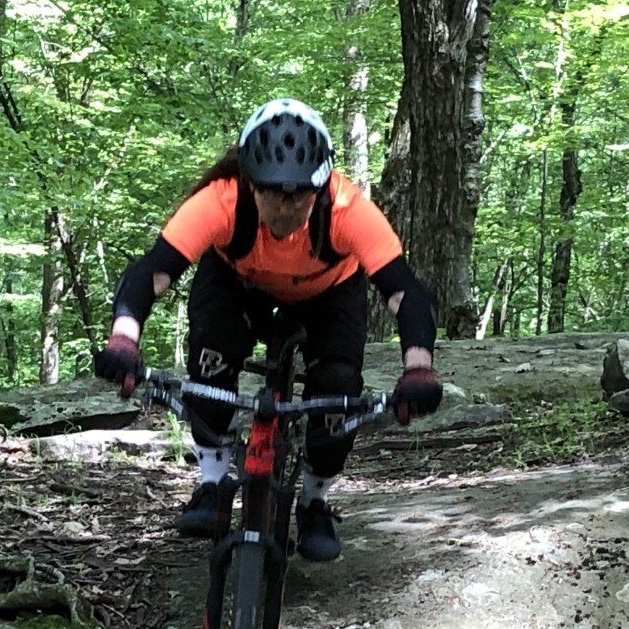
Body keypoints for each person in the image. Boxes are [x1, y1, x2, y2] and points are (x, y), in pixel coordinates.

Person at [92, 98, 442, 562]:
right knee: (210, 363)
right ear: (249, 184)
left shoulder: (347, 208)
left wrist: (418, 368)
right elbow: (153, 273)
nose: (285, 207)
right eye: (272, 193)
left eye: (299, 194)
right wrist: (123, 338)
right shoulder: (220, 201)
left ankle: (315, 499)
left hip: (329, 294)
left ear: (321, 187)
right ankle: (213, 482)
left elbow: (404, 293)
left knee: (338, 385)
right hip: (240, 283)